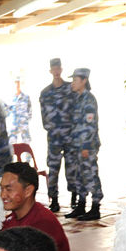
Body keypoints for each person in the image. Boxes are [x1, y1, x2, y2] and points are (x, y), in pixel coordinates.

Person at [39, 58, 77, 213]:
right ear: (50, 71)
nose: (56, 71)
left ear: (61, 69)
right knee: (53, 168)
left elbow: (76, 110)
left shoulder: (70, 89)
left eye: (58, 68)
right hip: (54, 137)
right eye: (53, 69)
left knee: (72, 167)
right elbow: (43, 115)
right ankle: (53, 199)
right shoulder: (45, 92)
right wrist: (50, 128)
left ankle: (75, 198)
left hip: (70, 135)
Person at [66, 68, 102, 221]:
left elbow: (90, 125)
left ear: (84, 81)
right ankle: (81, 205)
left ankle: (95, 207)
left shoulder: (89, 100)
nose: (72, 83)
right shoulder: (78, 99)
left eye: (75, 80)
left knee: (90, 174)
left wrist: (86, 146)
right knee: (79, 176)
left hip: (86, 146)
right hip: (76, 145)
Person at [8, 76, 32, 149]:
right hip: (13, 127)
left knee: (26, 145)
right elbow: (6, 112)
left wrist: (25, 121)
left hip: (24, 125)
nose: (17, 85)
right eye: (16, 83)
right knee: (11, 146)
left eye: (19, 83)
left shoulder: (26, 97)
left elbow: (30, 111)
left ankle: (28, 160)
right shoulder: (9, 98)